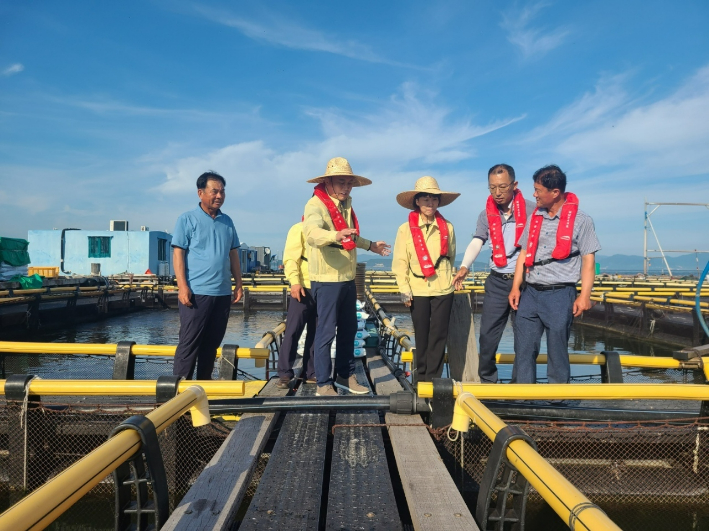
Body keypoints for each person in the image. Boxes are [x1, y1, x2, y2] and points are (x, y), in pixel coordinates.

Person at [303, 157, 391, 396]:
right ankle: (323, 383)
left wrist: (371, 245)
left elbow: (350, 237)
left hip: (347, 278)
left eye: (349, 183)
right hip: (326, 279)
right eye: (341, 182)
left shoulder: (346, 206)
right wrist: (335, 235)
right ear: (328, 182)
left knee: (349, 329)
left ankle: (345, 374)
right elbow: (312, 233)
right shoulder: (315, 204)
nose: (345, 187)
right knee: (326, 331)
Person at [508, 165, 600, 384]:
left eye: (538, 190)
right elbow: (523, 253)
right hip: (530, 291)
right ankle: (523, 398)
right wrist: (515, 287)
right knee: (524, 347)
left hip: (560, 294)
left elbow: (588, 261)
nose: (534, 194)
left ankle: (557, 401)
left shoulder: (582, 220)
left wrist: (584, 295)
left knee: (557, 349)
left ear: (555, 192)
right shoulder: (535, 217)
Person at [453, 164, 535, 383]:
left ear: (514, 185)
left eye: (502, 187)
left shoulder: (531, 210)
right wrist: (464, 266)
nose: (497, 193)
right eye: (492, 188)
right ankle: (488, 381)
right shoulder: (485, 214)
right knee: (488, 335)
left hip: (527, 283)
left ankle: (521, 386)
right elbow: (477, 240)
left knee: (525, 338)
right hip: (497, 281)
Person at [171, 171, 243, 380]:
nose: (219, 195)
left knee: (212, 344)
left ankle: (203, 389)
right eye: (215, 191)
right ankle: (177, 395)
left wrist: (238, 283)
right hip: (196, 292)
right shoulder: (187, 219)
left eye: (222, 191)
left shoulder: (227, 221)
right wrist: (182, 286)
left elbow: (233, 254)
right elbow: (178, 254)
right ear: (200, 193)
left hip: (222, 293)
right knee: (189, 342)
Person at [392, 176, 459, 383]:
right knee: (421, 334)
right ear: (417, 202)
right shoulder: (405, 229)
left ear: (439, 202)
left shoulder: (447, 227)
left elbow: (451, 256)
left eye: (434, 199)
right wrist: (404, 288)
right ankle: (421, 379)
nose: (430, 203)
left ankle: (434, 381)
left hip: (442, 288)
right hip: (417, 288)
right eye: (426, 199)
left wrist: (451, 278)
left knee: (439, 336)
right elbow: (400, 261)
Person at [277, 220, 317, 388]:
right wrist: (294, 282)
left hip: (323, 287)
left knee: (318, 333)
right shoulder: (298, 229)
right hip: (302, 287)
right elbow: (291, 258)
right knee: (293, 329)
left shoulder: (329, 231)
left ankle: (312, 372)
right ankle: (285, 372)